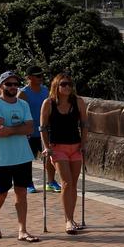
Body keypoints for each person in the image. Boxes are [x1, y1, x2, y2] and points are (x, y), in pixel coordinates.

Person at [0, 70, 40, 242]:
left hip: (23, 156)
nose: (12, 87)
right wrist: (18, 129)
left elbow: (30, 129)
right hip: (3, 158)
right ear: (1, 86)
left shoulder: (23, 104)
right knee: (1, 194)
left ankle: (22, 230)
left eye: (15, 84)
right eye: (8, 84)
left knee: (21, 193)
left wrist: (11, 130)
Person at [39, 73, 88, 235]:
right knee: (66, 182)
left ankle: (72, 218)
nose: (67, 87)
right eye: (64, 84)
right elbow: (43, 127)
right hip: (57, 148)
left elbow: (84, 124)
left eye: (69, 84)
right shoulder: (49, 103)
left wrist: (84, 143)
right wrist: (47, 147)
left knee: (73, 184)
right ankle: (68, 220)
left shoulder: (78, 102)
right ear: (56, 86)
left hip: (75, 147)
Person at [19, 66, 60, 195]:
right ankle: (28, 183)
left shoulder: (45, 90)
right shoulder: (23, 93)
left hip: (45, 131)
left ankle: (51, 182)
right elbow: (20, 113)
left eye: (42, 75)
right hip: (30, 132)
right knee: (27, 159)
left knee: (49, 157)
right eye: (38, 76)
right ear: (29, 78)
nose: (41, 78)